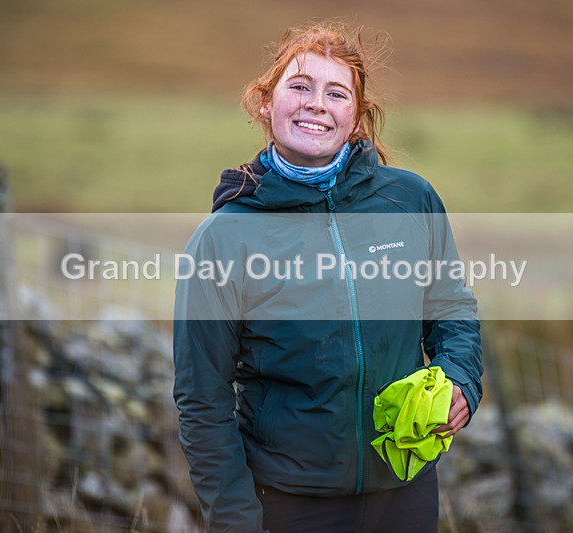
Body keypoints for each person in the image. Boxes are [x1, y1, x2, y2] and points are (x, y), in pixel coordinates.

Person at [173, 20, 483, 533]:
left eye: (336, 93)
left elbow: (450, 306)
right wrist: (234, 520)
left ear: (356, 117)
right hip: (290, 502)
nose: (316, 103)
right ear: (265, 103)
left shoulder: (410, 201)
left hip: (405, 492)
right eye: (299, 86)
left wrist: (460, 380)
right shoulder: (224, 238)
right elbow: (201, 398)